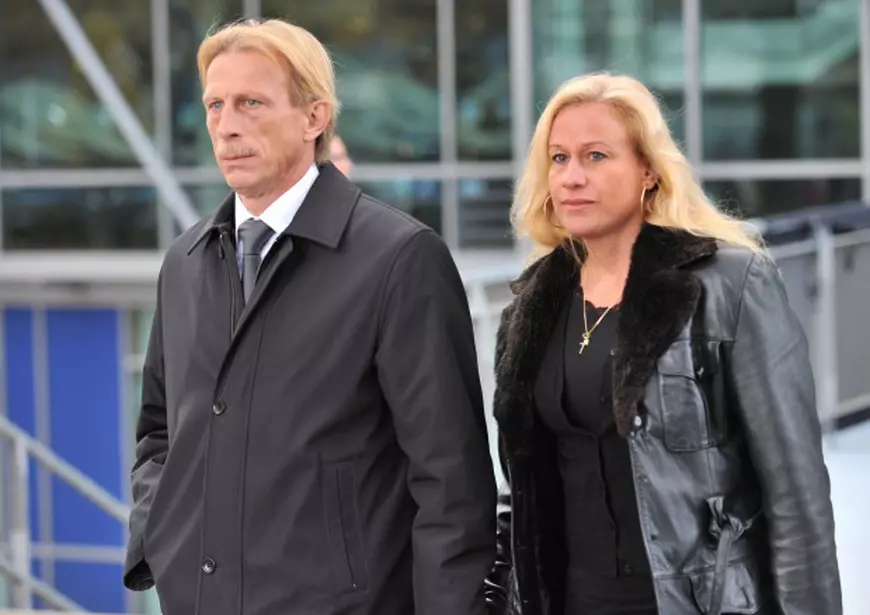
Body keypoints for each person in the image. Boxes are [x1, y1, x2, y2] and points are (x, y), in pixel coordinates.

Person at [123, 18, 496, 615]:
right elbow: (160, 435)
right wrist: (162, 541)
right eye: (215, 105)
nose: (226, 125)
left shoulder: (399, 258)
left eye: (251, 102)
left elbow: (451, 480)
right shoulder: (185, 264)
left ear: (314, 118)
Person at [484, 73, 841, 615]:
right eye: (559, 159)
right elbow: (524, 486)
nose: (572, 177)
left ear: (648, 169)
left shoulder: (728, 285)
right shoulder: (531, 307)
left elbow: (797, 497)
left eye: (596, 156)